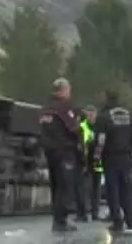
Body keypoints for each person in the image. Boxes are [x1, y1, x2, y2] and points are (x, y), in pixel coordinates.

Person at [94, 91, 132, 234]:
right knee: (126, 190)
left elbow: (100, 140)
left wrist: (97, 157)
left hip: (110, 158)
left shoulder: (104, 117)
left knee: (112, 190)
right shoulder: (129, 115)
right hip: (126, 157)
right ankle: (131, 221)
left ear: (107, 100)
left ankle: (117, 221)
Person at [40, 77, 82, 232]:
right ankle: (61, 221)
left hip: (49, 151)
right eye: (69, 90)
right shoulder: (63, 107)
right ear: (63, 90)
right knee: (64, 185)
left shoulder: (46, 108)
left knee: (55, 185)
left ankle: (56, 218)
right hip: (64, 151)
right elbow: (73, 128)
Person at [80, 105, 104, 220]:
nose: (91, 117)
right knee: (85, 186)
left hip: (97, 159)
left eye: (93, 114)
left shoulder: (99, 126)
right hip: (85, 159)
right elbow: (82, 143)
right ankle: (83, 212)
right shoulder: (83, 126)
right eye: (89, 115)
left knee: (96, 185)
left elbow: (102, 142)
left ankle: (95, 212)